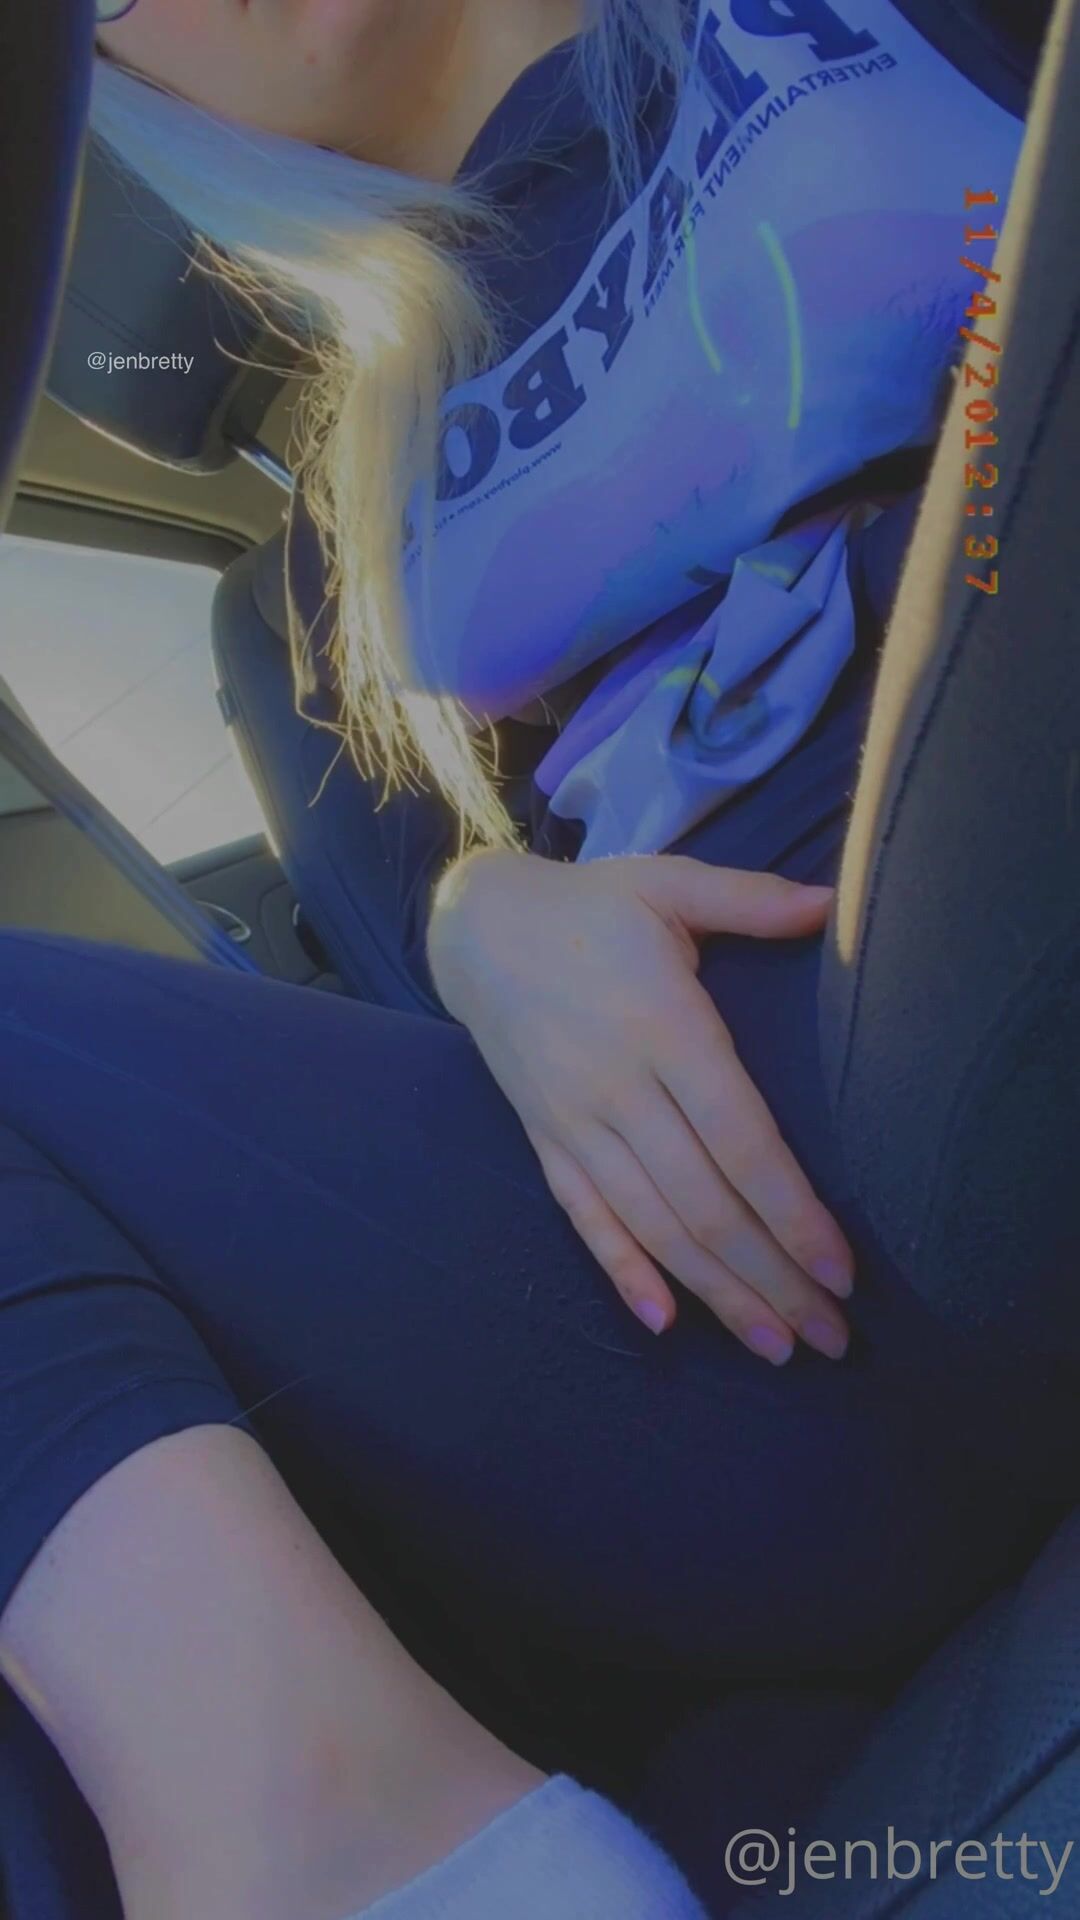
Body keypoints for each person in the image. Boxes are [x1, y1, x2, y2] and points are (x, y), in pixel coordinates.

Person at [0, 2, 1069, 1917]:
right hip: (754, 1266)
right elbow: (424, 1006)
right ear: (132, 91)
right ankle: (327, 1818)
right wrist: (479, 920)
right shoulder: (323, 570)